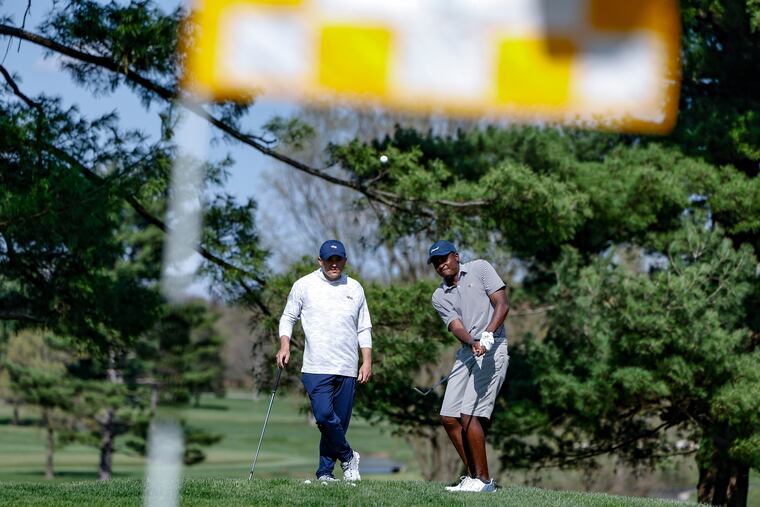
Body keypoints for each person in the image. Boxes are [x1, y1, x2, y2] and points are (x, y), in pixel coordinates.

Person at [276, 239, 373, 482]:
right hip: (316, 366)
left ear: (344, 260)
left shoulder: (355, 288)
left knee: (338, 423)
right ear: (320, 261)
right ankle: (349, 457)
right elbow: (288, 317)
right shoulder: (304, 285)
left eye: (338, 259)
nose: (333, 264)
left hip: (347, 367)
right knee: (323, 417)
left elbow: (364, 328)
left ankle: (325, 473)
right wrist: (284, 344)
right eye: (328, 260)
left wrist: (367, 361)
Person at [426, 240, 509, 493]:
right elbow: (455, 325)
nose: (441, 265)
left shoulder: (480, 268)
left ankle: (484, 482)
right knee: (449, 416)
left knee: (469, 414)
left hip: (494, 348)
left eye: (444, 258)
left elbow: (502, 304)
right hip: (467, 351)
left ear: (456, 256)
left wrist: (487, 335)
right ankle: (473, 476)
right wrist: (472, 342)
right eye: (436, 263)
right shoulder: (439, 296)